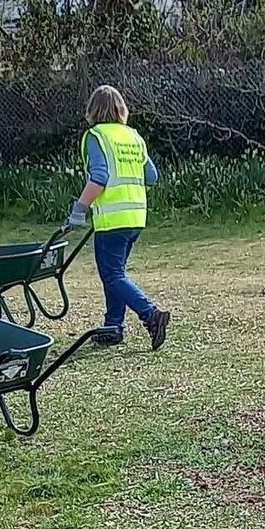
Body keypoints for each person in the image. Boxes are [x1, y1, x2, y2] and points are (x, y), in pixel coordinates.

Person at [67, 85, 170, 350]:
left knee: (112, 276)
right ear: (121, 109)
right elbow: (152, 176)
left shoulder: (96, 136)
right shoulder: (133, 136)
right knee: (117, 274)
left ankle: (151, 315)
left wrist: (79, 210)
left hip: (112, 220)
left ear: (93, 110)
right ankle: (113, 326)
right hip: (136, 216)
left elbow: (99, 178)